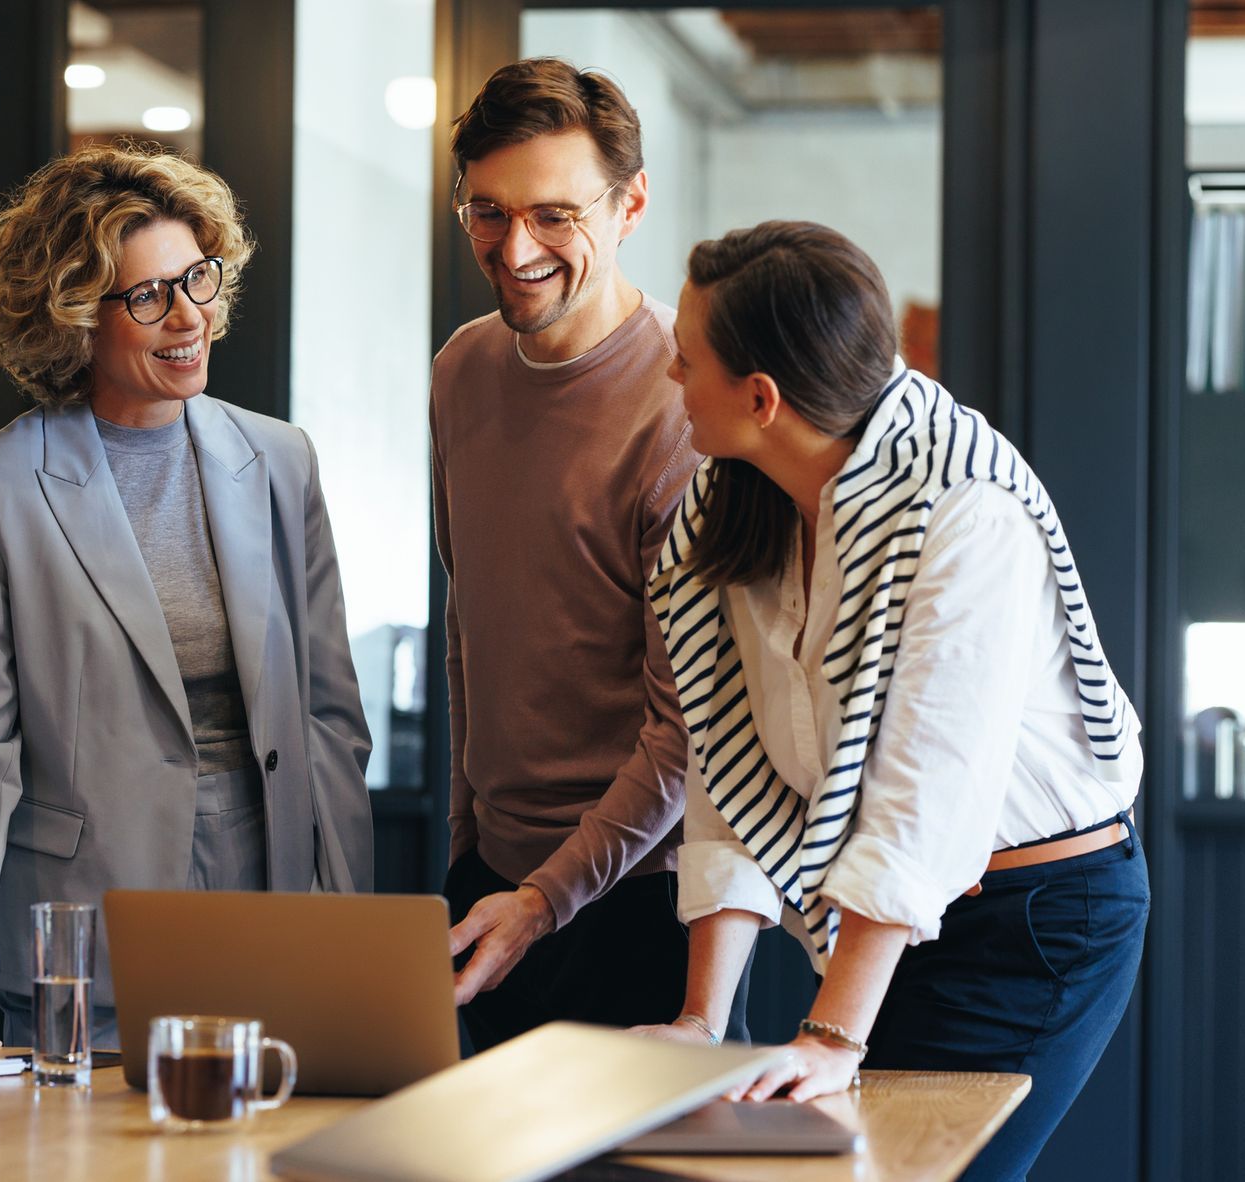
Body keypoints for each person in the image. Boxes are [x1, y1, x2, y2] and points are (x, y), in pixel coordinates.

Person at [637, 220, 1147, 1181]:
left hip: (1038, 921)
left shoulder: (964, 512)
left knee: (913, 1173)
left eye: (684, 359)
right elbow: (729, 761)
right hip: (896, 919)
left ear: (761, 398)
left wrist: (831, 1032)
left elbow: (926, 804)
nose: (669, 376)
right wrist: (701, 1021)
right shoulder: (735, 503)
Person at [0, 143, 373, 1051]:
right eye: (147, 296)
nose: (189, 316)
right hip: (82, 916)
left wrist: (347, 921)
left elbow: (330, 718)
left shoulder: (279, 459)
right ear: (73, 319)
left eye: (198, 279)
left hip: (273, 896)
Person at [433, 58, 747, 1052]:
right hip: (488, 886)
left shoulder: (684, 409)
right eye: (487, 211)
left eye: (553, 215)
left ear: (632, 204)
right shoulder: (462, 367)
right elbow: (470, 625)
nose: (515, 247)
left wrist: (544, 897)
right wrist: (470, 853)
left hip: (637, 897)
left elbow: (686, 726)